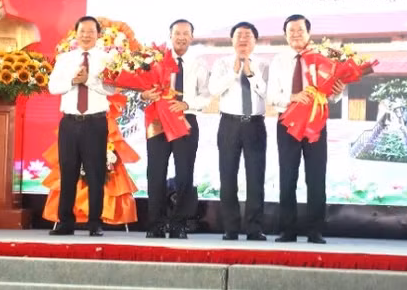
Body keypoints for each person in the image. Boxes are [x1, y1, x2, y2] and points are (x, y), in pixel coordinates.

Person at [266, 14, 345, 244]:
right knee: (287, 177)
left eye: (300, 30)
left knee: (316, 177)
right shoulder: (279, 61)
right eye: (291, 31)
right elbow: (272, 96)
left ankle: (315, 231)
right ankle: (287, 231)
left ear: (309, 33)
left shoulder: (321, 58)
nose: (296, 34)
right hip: (288, 123)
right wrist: (293, 97)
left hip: (315, 123)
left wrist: (338, 90)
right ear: (285, 35)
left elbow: (333, 96)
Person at [141, 19, 211, 239]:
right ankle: (156, 224)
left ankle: (180, 223)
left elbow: (207, 96)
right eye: (177, 33)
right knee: (156, 173)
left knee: (184, 174)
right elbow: (143, 90)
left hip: (186, 120)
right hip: (158, 120)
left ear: (192, 36)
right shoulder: (155, 61)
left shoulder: (199, 63)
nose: (181, 37)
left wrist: (187, 103)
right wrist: (144, 95)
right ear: (170, 35)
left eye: (186, 33)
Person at [47, 16, 114, 236]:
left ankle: (95, 223)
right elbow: (53, 87)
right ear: (75, 33)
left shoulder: (107, 59)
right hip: (69, 123)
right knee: (68, 173)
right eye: (82, 31)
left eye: (91, 31)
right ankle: (65, 221)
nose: (86, 35)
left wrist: (89, 81)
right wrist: (73, 82)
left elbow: (112, 89)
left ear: (98, 34)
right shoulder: (65, 59)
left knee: (95, 173)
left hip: (95, 122)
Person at [208, 22, 268, 241]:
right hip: (229, 124)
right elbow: (214, 90)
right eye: (239, 35)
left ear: (255, 41)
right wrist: (234, 72)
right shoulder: (221, 63)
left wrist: (251, 74)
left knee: (256, 177)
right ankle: (230, 228)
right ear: (232, 39)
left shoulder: (262, 65)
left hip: (255, 124)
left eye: (248, 35)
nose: (243, 39)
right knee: (228, 176)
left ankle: (254, 228)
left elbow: (266, 94)